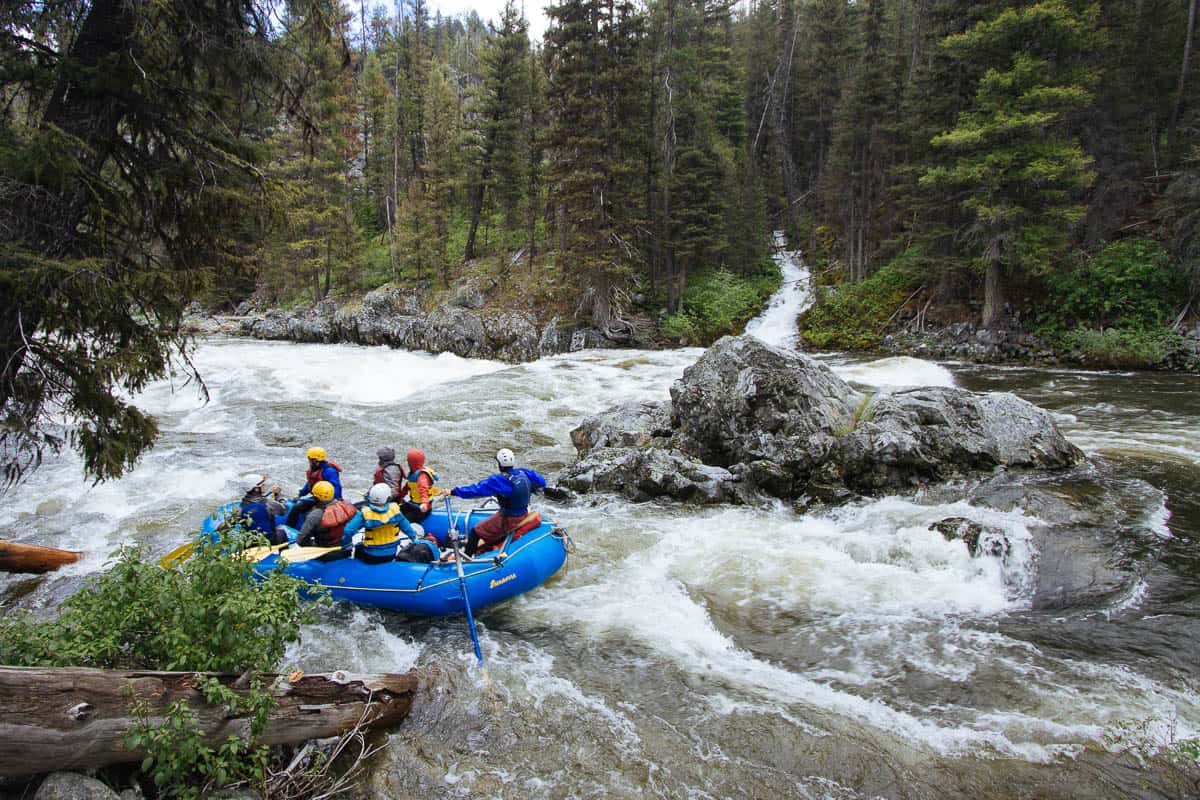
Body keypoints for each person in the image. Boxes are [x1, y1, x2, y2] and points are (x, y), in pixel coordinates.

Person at [450, 448, 546, 557]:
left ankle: (465, 560)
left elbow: (476, 490)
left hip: (509, 519)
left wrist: (454, 492)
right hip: (523, 513)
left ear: (499, 464)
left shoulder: (500, 481)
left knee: (475, 532)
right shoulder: (524, 473)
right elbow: (541, 483)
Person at [342, 483, 418, 564]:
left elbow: (348, 530)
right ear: (388, 498)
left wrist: (347, 545)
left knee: (358, 547)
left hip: (370, 555)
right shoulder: (395, 511)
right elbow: (407, 527)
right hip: (391, 554)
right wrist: (413, 538)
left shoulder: (364, 514)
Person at [293, 480, 357, 548]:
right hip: (344, 547)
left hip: (323, 549)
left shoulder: (315, 514)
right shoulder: (346, 506)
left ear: (316, 497)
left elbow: (300, 540)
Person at [236, 473, 288, 544]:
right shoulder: (267, 503)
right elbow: (283, 510)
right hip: (270, 540)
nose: (264, 486)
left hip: (250, 542)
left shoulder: (241, 507)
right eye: (262, 485)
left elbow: (225, 525)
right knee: (282, 532)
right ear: (256, 489)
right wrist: (278, 495)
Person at [399, 448, 440, 523]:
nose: (407, 462)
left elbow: (424, 490)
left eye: (408, 460)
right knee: (397, 511)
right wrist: (399, 497)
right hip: (413, 505)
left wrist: (424, 503)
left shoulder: (422, 476)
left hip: (423, 510)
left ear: (412, 463)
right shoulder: (413, 474)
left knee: (404, 520)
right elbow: (406, 487)